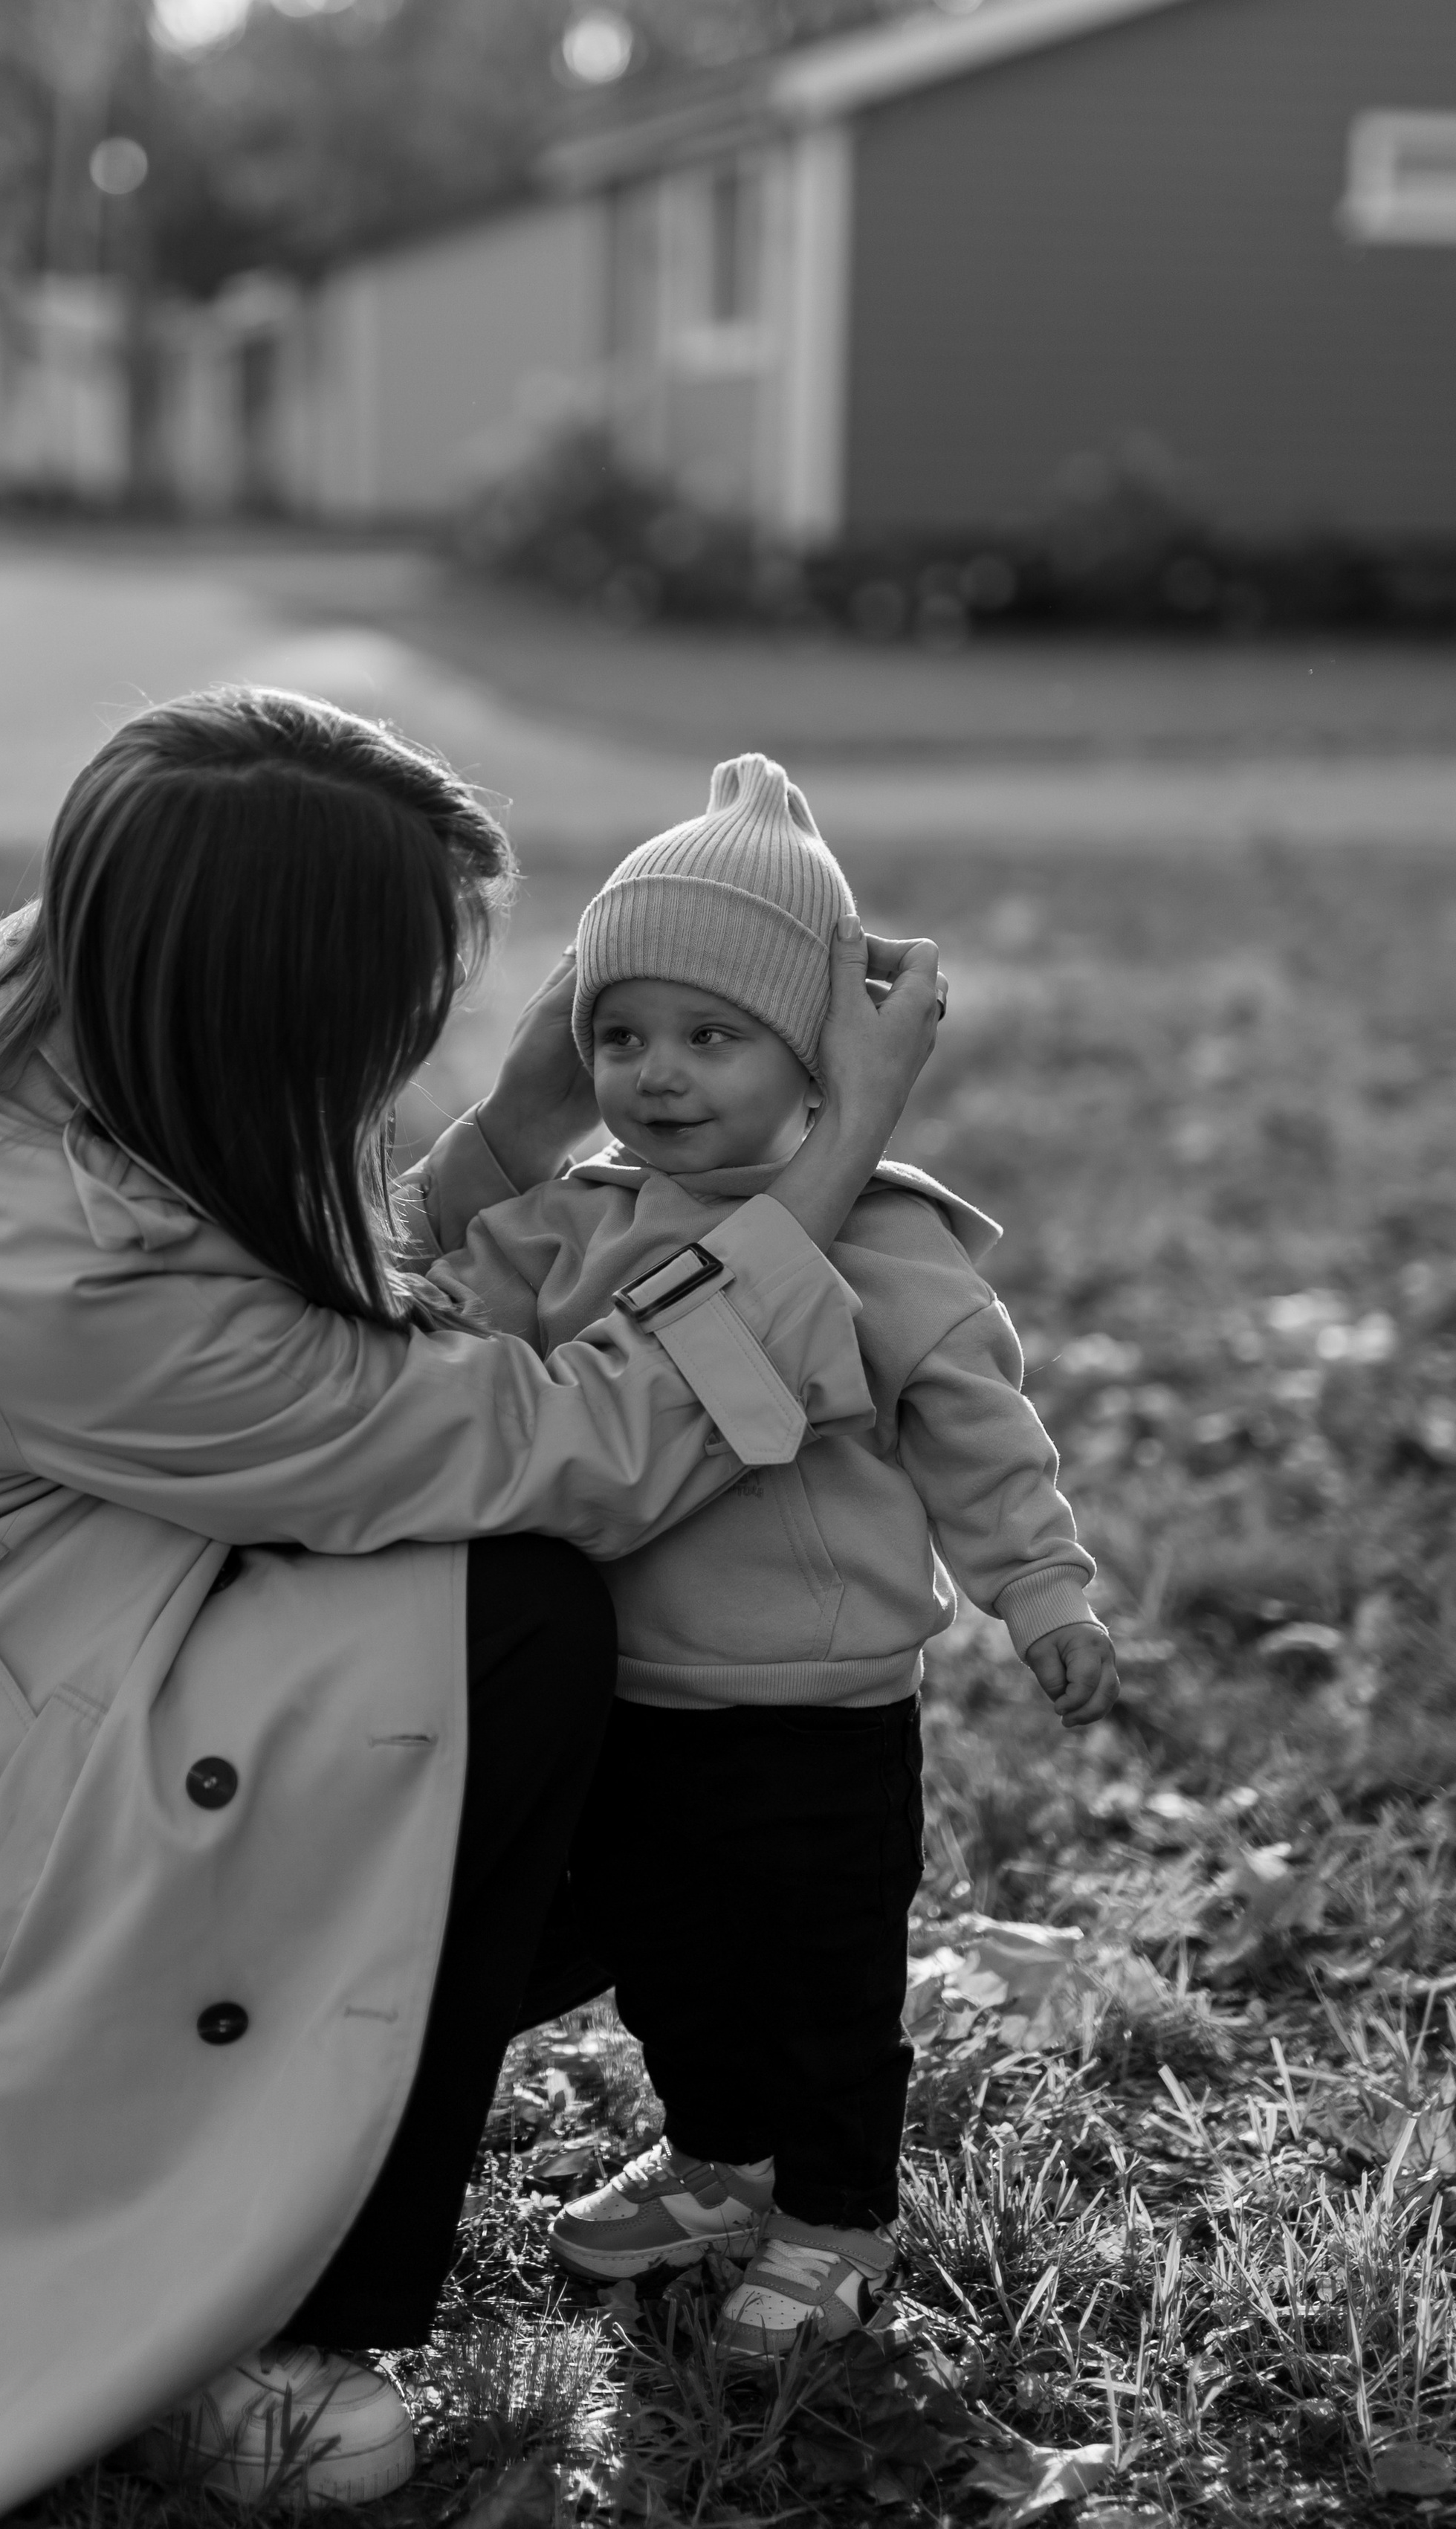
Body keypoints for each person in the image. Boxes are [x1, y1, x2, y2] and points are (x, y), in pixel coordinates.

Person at [0, 691, 946, 2529]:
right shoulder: (59, 1269)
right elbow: (565, 1443)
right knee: (520, 1628)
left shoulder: (78, 994)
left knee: (517, 1665)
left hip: (34, 1631)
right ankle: (269, 2311)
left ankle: (330, 2135)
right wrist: (833, 1154)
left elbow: (310, 1318)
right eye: (400, 1006)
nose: (413, 1043)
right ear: (273, 1002)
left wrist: (521, 1125)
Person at [421, 753, 1119, 2356]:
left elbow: (976, 1429)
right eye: (619, 1036)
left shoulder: (886, 1239)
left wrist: (1041, 1588)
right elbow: (425, 1300)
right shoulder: (569, 1222)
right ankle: (720, 2159)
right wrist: (506, 1136)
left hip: (822, 1705)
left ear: (813, 1056)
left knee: (818, 1980)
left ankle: (835, 2213)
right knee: (671, 1962)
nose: (657, 1076)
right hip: (631, 1695)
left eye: (711, 1036)